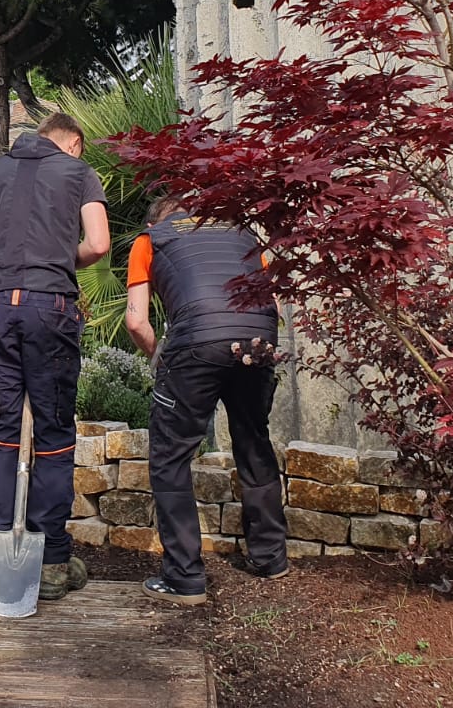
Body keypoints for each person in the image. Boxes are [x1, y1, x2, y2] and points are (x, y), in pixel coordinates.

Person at [0, 112, 109, 601]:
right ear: (74, 143)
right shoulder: (79, 173)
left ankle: (6, 541)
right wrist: (59, 261)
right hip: (49, 309)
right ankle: (55, 558)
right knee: (55, 431)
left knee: (4, 429)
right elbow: (99, 244)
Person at [124, 194, 289, 606]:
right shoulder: (244, 235)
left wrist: (160, 357)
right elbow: (277, 305)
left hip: (195, 344)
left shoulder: (150, 241)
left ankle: (184, 577)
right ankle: (270, 557)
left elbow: (136, 320)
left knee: (171, 455)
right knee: (253, 440)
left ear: (158, 218)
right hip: (258, 339)